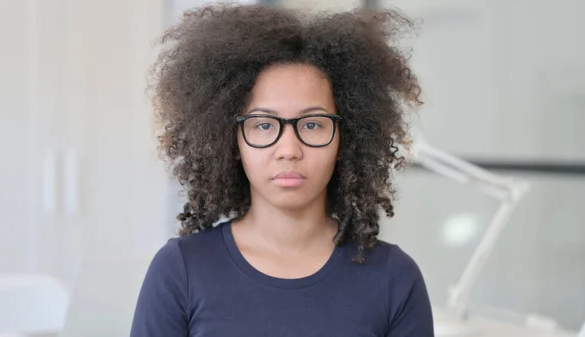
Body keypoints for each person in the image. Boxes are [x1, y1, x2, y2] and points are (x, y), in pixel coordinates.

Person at [131, 3, 433, 337]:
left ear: (346, 139)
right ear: (230, 141)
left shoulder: (395, 278)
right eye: (263, 125)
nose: (289, 150)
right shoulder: (180, 270)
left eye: (313, 124)